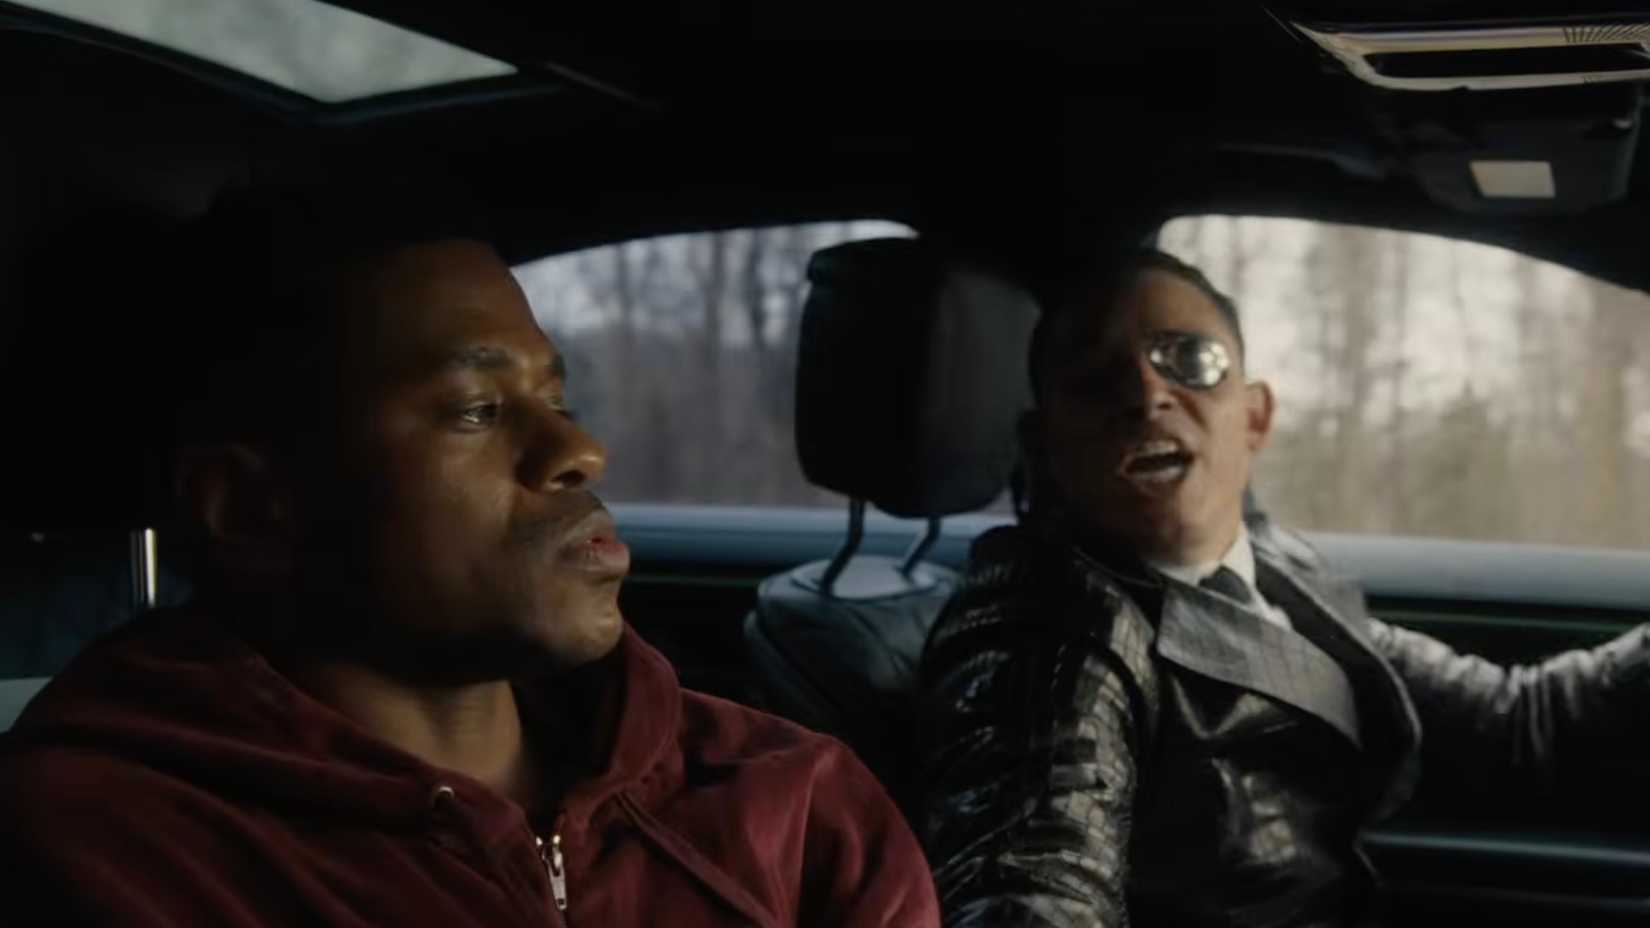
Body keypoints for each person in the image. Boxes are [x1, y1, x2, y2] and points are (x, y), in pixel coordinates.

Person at [0, 183, 939, 928]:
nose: (579, 451)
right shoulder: (110, 849)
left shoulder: (796, 801)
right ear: (250, 507)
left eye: (557, 400)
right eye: (477, 411)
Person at [917, 248, 1650, 927]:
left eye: (1191, 360)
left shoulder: (1278, 574)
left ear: (1255, 416)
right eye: (1093, 377)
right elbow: (1030, 885)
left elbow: (1519, 727)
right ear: (1041, 444)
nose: (1145, 392)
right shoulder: (1050, 636)